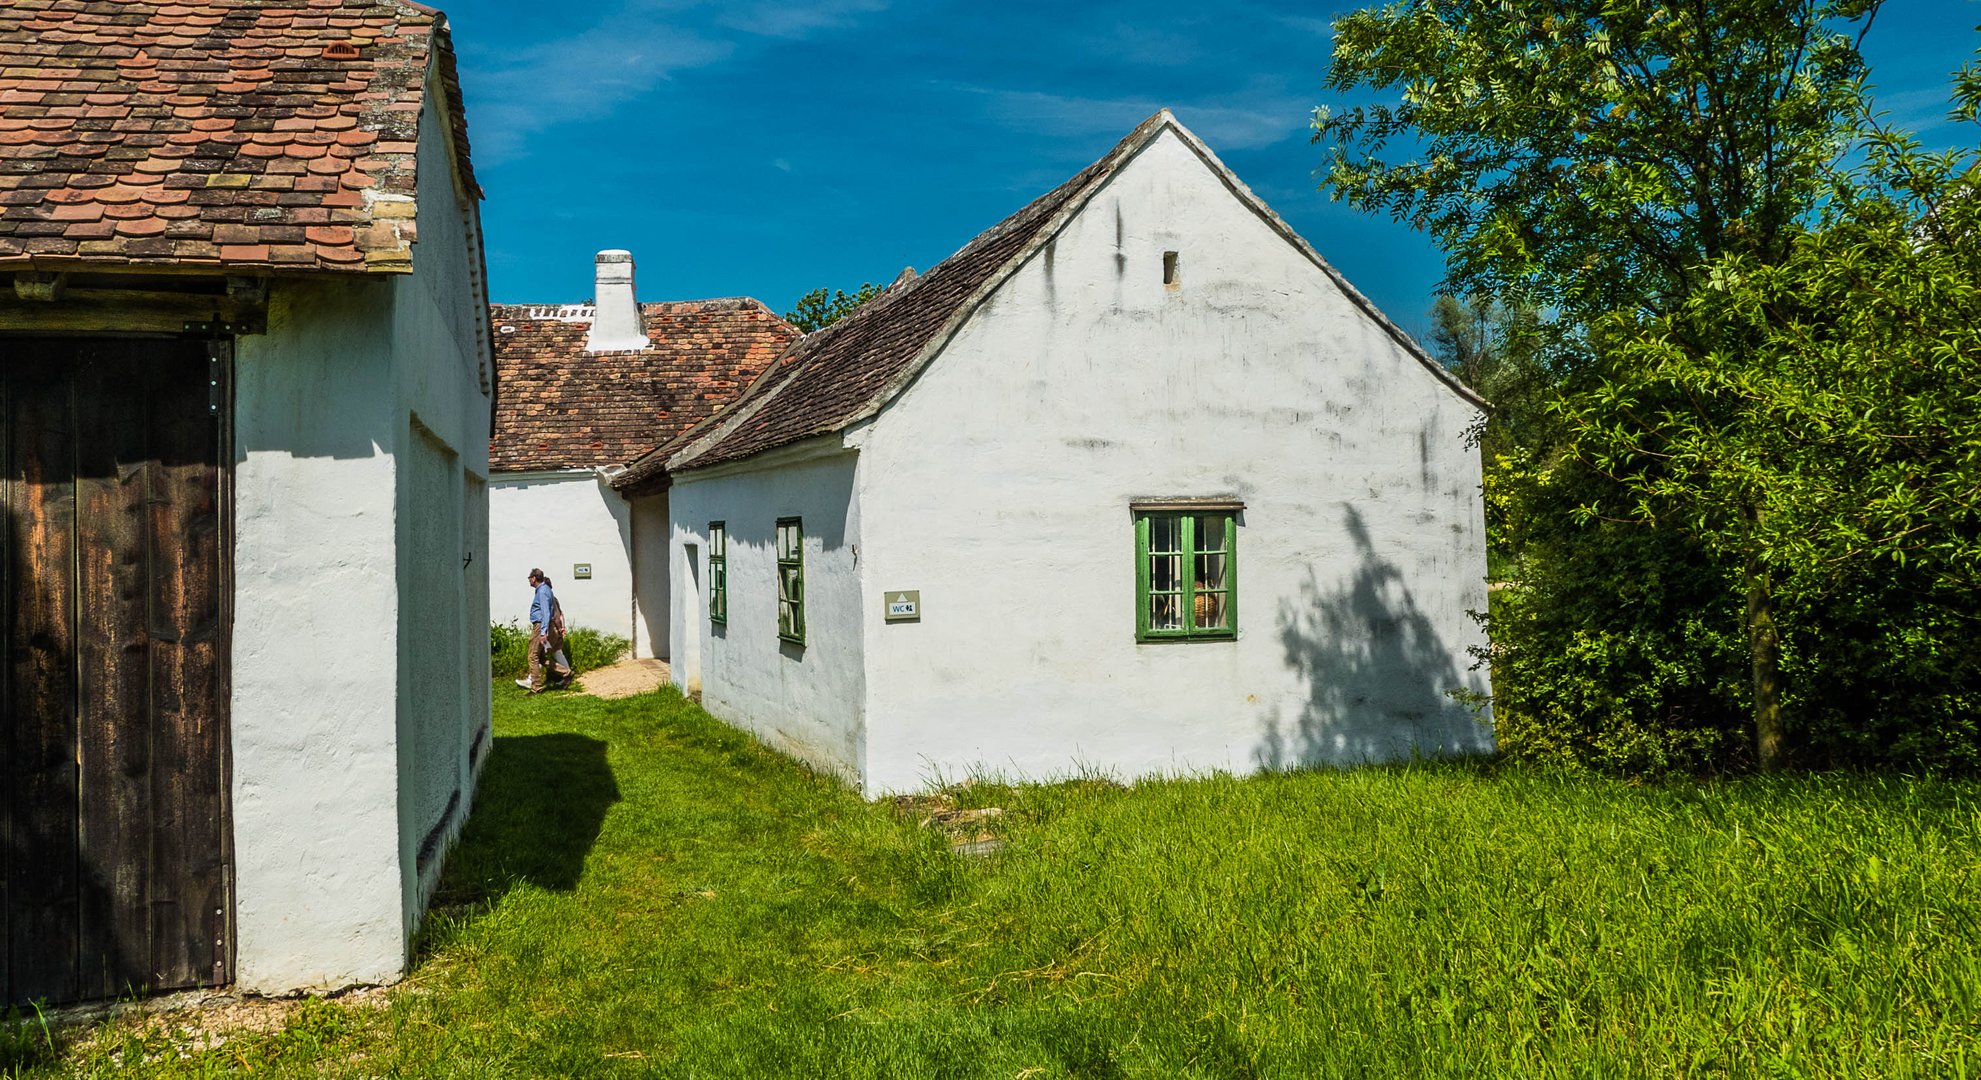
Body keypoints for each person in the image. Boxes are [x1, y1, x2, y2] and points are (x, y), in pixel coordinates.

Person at [520, 568, 572, 693]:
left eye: (529, 578)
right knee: (541, 657)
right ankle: (566, 673)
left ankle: (536, 687)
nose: (528, 580)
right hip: (543, 626)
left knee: (533, 656)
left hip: (540, 626)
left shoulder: (542, 591)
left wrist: (543, 632)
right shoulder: (545, 590)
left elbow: (545, 612)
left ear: (534, 578)